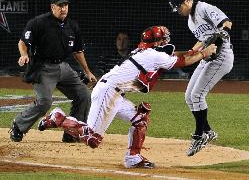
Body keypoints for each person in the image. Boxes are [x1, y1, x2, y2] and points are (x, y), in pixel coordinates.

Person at [37, 26, 217, 168]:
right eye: (162, 39)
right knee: (92, 139)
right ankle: (59, 118)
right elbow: (183, 61)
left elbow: (175, 55)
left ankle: (133, 158)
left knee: (140, 120)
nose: (165, 41)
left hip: (116, 94)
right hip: (108, 92)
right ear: (155, 42)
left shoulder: (146, 52)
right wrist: (204, 53)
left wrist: (198, 47)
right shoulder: (152, 55)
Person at [9, 0, 97, 143]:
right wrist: (24, 55)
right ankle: (19, 125)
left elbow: (78, 51)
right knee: (44, 102)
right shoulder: (39, 23)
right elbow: (22, 42)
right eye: (60, 5)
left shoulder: (72, 26)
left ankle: (72, 131)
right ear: (52, 7)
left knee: (83, 95)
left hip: (63, 67)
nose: (63, 8)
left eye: (66, 5)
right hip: (42, 68)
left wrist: (87, 71)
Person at [169, 0, 234, 156]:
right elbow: (203, 39)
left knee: (197, 95)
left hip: (222, 57)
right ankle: (208, 131)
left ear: (186, 1)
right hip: (207, 57)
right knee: (189, 95)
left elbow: (227, 22)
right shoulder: (190, 21)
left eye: (178, 7)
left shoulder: (204, 8)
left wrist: (220, 38)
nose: (178, 11)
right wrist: (192, 50)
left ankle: (199, 135)